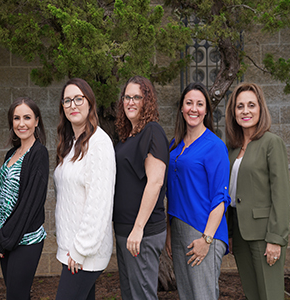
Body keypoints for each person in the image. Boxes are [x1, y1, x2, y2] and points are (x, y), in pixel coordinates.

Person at [166, 82, 230, 300]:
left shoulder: (215, 146)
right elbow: (171, 192)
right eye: (189, 103)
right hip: (178, 228)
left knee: (203, 296)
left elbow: (220, 199)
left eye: (200, 104)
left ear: (206, 110)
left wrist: (207, 240)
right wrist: (169, 231)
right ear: (182, 108)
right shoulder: (174, 144)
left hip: (203, 229)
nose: (194, 108)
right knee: (186, 295)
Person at [225, 82, 290, 300]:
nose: (245, 111)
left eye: (251, 105)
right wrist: (231, 233)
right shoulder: (233, 149)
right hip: (241, 236)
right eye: (240, 106)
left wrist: (275, 238)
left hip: (265, 236)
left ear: (260, 109)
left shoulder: (272, 143)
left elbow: (281, 195)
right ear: (233, 112)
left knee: (270, 296)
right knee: (252, 295)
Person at [54, 78, 116, 300]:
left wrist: (80, 249)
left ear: (90, 103)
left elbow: (99, 203)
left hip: (84, 253)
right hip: (71, 250)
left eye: (78, 99)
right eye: (67, 100)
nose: (72, 105)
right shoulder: (70, 143)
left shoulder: (99, 143)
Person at [0, 97, 49, 300]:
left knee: (17, 296)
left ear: (37, 121)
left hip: (25, 240)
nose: (21, 123)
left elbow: (30, 204)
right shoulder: (11, 154)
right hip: (7, 238)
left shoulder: (39, 153)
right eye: (16, 118)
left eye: (27, 117)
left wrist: (3, 241)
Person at [113, 75, 169, 300]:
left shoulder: (152, 131)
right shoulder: (127, 137)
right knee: (130, 295)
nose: (131, 102)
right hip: (125, 231)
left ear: (148, 101)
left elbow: (155, 182)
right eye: (127, 97)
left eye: (137, 97)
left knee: (142, 296)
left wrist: (138, 228)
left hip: (142, 233)